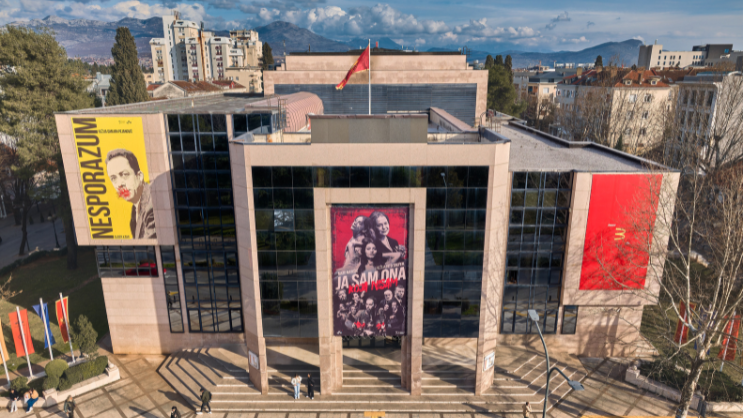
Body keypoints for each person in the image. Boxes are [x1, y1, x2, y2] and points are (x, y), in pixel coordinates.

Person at [105, 148, 156, 239]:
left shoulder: (151, 206)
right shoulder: (135, 208)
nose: (119, 184)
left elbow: (149, 244)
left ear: (139, 176)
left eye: (124, 174)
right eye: (113, 178)